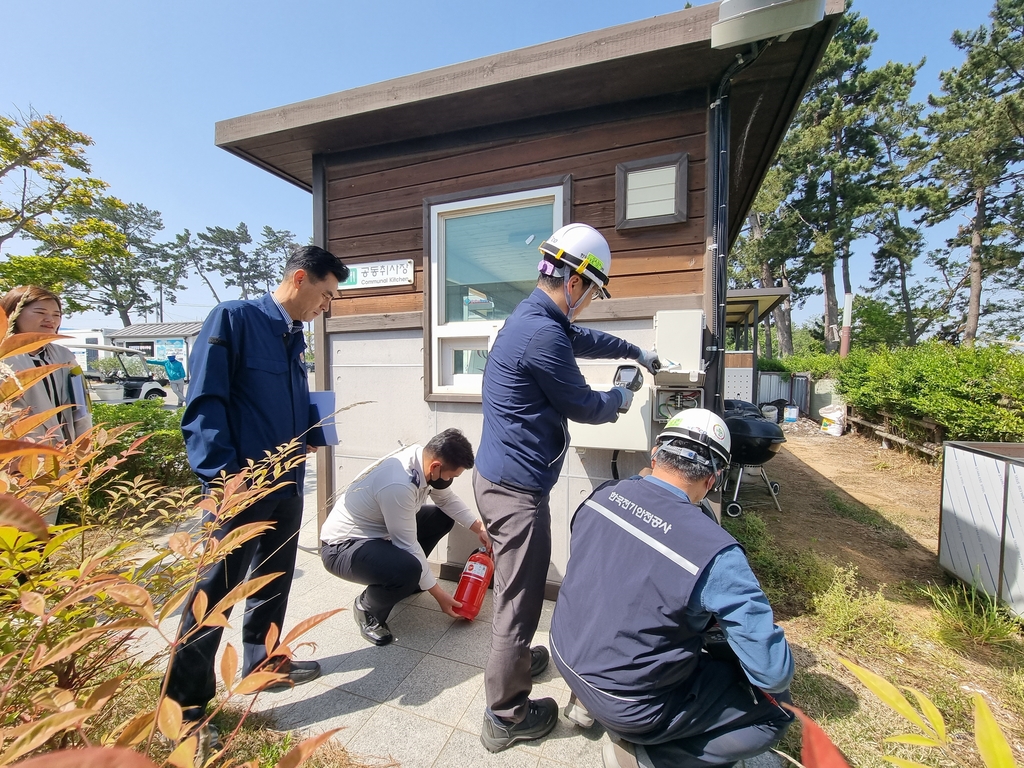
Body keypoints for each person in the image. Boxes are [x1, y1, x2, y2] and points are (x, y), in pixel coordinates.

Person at [474, 222, 662, 752]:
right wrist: (622, 395)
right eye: (592, 293)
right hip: (516, 492)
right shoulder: (541, 334)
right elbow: (583, 403)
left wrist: (634, 351)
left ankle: (515, 656)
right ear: (575, 282)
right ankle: (505, 714)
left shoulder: (535, 317)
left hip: (501, 477)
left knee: (518, 589)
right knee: (519, 598)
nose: (588, 306)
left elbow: (585, 339)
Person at [164, 245, 349, 745]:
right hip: (239, 485)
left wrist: (311, 433)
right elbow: (204, 403)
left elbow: (280, 403)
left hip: (286, 481)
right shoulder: (234, 319)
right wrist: (222, 477)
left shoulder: (292, 335)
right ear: (299, 279)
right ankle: (183, 709)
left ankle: (260, 659)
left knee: (273, 577)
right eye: (326, 294)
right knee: (214, 593)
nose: (327, 306)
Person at [549, 409, 795, 768]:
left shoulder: (602, 496)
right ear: (713, 479)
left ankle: (585, 704)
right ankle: (653, 758)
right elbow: (772, 673)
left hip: (564, 653)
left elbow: (601, 576)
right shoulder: (717, 553)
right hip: (629, 703)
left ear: (655, 454)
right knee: (776, 710)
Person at [320, 428, 490, 645]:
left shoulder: (423, 461)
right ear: (436, 466)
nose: (451, 481)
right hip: (343, 547)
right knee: (409, 568)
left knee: (441, 518)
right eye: (451, 476)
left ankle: (409, 582)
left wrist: (479, 529)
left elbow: (446, 500)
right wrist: (439, 595)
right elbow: (407, 544)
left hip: (379, 534)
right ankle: (367, 610)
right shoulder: (398, 483)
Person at [1, 285, 92, 445]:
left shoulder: (65, 357)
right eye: (40, 313)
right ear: (13, 313)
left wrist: (83, 447)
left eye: (56, 315)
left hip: (63, 452)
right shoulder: (4, 357)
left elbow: (81, 407)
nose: (51, 320)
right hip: (19, 455)